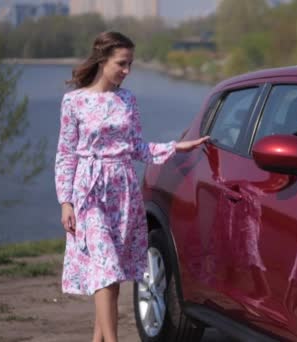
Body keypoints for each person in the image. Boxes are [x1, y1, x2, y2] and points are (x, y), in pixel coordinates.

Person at [54, 31, 209, 342]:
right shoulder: (74, 102)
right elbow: (66, 154)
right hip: (90, 192)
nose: (127, 71)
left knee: (112, 277)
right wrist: (66, 201)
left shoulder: (127, 100)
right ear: (102, 60)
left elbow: (136, 147)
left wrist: (177, 147)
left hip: (123, 191)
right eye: (121, 64)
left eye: (130, 64)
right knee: (106, 269)